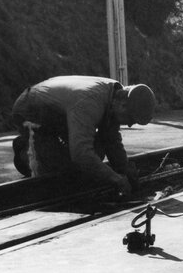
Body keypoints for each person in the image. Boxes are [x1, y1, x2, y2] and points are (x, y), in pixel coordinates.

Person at [11, 76, 155, 197]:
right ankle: (25, 152)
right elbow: (80, 154)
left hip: (58, 116)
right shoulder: (90, 103)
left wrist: (125, 169)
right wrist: (116, 179)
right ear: (123, 105)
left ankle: (42, 151)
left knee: (94, 155)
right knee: (57, 175)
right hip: (31, 111)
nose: (129, 125)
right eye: (131, 119)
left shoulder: (114, 96)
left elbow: (111, 140)